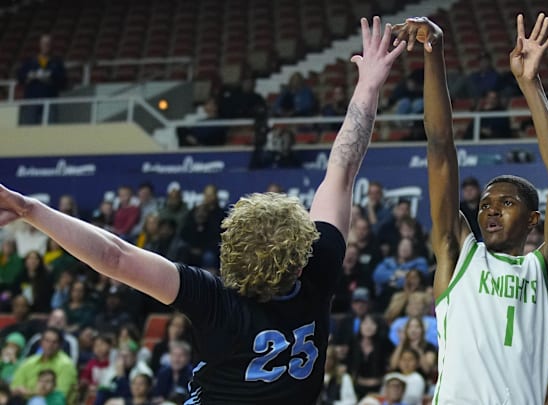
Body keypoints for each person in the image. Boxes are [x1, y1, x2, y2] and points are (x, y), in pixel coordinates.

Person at [0, 16, 405, 404]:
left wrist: (28, 208)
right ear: (300, 263)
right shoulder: (321, 267)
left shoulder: (215, 301)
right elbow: (342, 167)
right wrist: (368, 85)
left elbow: (113, 256)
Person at [395, 13, 548, 403]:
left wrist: (530, 85)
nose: (490, 211)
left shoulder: (545, 271)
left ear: (533, 219)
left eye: (506, 203)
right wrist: (434, 53)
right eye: (486, 205)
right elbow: (440, 147)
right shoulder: (458, 253)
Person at [17, 34, 66, 125]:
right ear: (39, 45)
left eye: (48, 44)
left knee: (49, 131)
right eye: (44, 43)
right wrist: (30, 76)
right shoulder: (30, 62)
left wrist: (50, 77)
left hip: (50, 101)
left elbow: (63, 82)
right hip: (32, 101)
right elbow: (20, 77)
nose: (46, 46)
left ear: (51, 45)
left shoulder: (57, 62)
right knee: (30, 130)